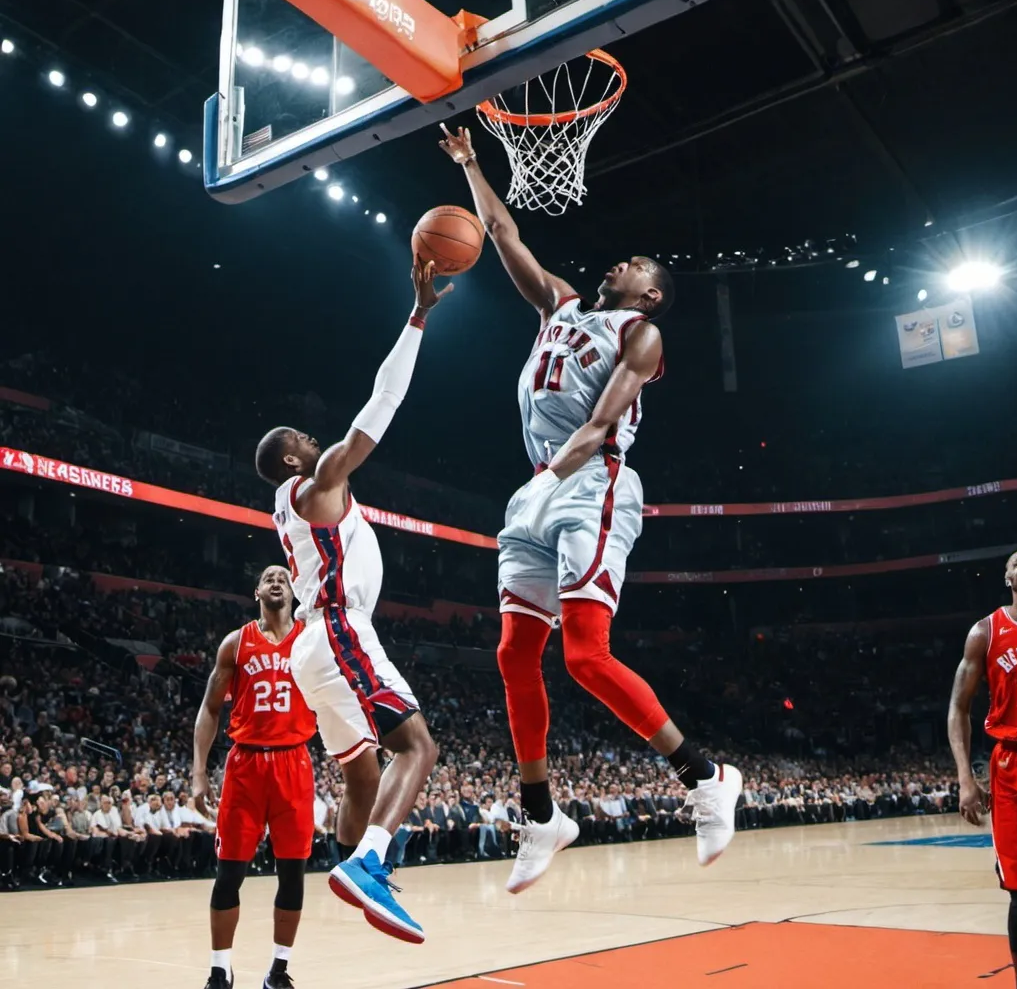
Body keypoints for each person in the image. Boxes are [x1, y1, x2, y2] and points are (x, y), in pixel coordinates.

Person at [441, 124, 742, 893]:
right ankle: (542, 815)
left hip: (594, 482)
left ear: (649, 293)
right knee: (514, 654)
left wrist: (549, 483)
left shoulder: (641, 333)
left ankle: (706, 776)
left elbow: (601, 424)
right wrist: (473, 163)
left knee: (583, 655)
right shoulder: (562, 306)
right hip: (540, 483)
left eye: (635, 264)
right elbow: (503, 232)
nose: (619, 261)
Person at [253, 259, 450, 944]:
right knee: (418, 747)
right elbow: (379, 409)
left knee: (361, 775)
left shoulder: (288, 507)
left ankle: (347, 867)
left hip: (314, 648)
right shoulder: (316, 485)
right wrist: (417, 317)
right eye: (303, 440)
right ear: (289, 461)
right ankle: (368, 866)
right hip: (338, 630)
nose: (314, 438)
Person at [192, 565, 317, 989]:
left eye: (284, 575)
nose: (277, 579)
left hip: (294, 763)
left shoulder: (311, 640)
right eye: (269, 577)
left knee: (293, 874)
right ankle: (218, 970)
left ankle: (278, 970)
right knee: (229, 874)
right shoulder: (236, 642)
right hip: (245, 765)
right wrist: (198, 772)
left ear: (296, 591)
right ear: (257, 591)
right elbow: (210, 709)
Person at [948, 549, 1017, 989]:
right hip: (1013, 765)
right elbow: (958, 708)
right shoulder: (986, 632)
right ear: (1006, 577)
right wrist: (965, 778)